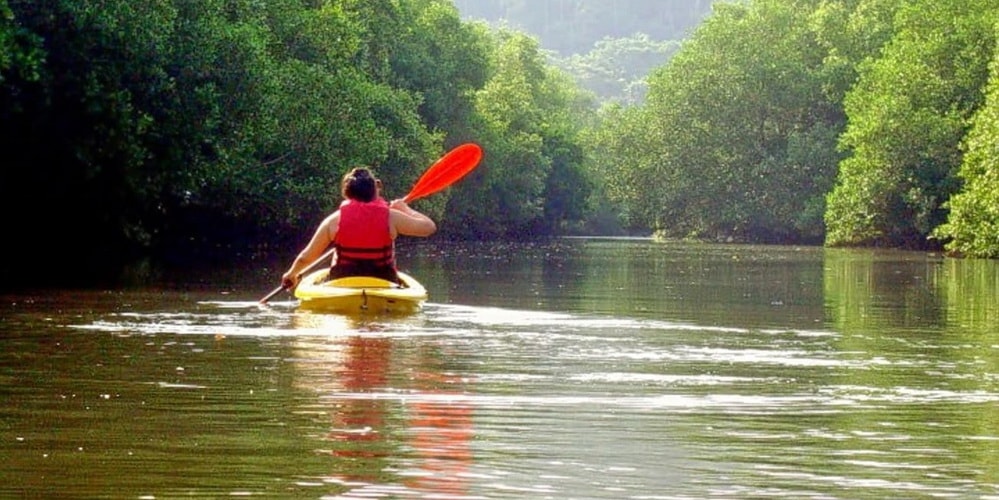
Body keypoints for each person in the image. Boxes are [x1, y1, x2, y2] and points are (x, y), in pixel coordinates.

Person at [281, 167, 436, 289]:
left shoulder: (334, 221)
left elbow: (306, 257)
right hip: (383, 282)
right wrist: (405, 208)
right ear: (376, 188)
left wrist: (291, 274)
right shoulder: (392, 217)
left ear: (347, 193)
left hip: (341, 283)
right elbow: (429, 227)